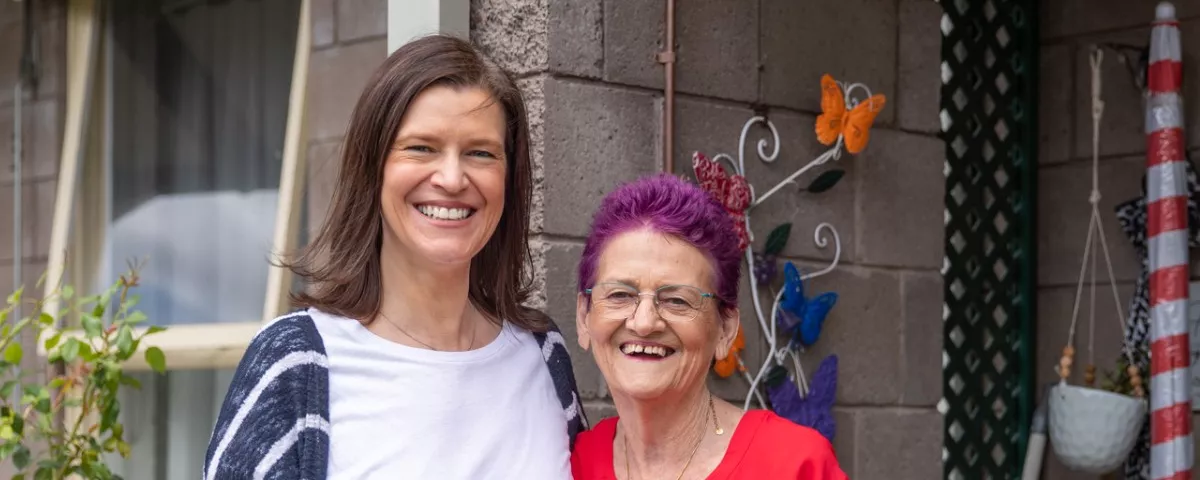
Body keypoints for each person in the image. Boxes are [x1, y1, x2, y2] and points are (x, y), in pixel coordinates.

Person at [203, 34, 585, 480]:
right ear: (373, 168)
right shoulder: (296, 361)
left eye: (480, 153)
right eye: (421, 147)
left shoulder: (541, 354)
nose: (451, 178)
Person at [570, 174, 848, 479]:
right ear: (584, 317)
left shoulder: (794, 464)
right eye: (620, 295)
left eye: (677, 300)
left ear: (725, 329)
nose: (645, 322)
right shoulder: (573, 463)